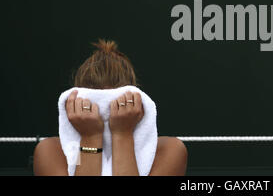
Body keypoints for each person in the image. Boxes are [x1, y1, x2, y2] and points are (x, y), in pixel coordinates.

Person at [33, 39, 187, 176]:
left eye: (116, 108)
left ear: (136, 105)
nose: (105, 116)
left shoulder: (169, 151)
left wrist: (122, 133)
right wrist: (90, 137)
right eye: (91, 108)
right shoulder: (51, 152)